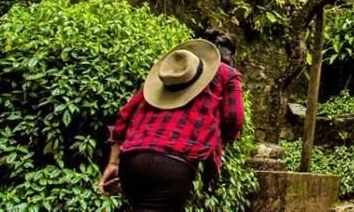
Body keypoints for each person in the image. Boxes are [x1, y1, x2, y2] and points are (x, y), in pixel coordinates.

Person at [99, 39, 245, 211]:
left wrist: (114, 163)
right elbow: (234, 118)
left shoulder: (166, 74)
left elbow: (125, 115)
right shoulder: (227, 74)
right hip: (173, 165)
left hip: (132, 161)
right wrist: (220, 139)